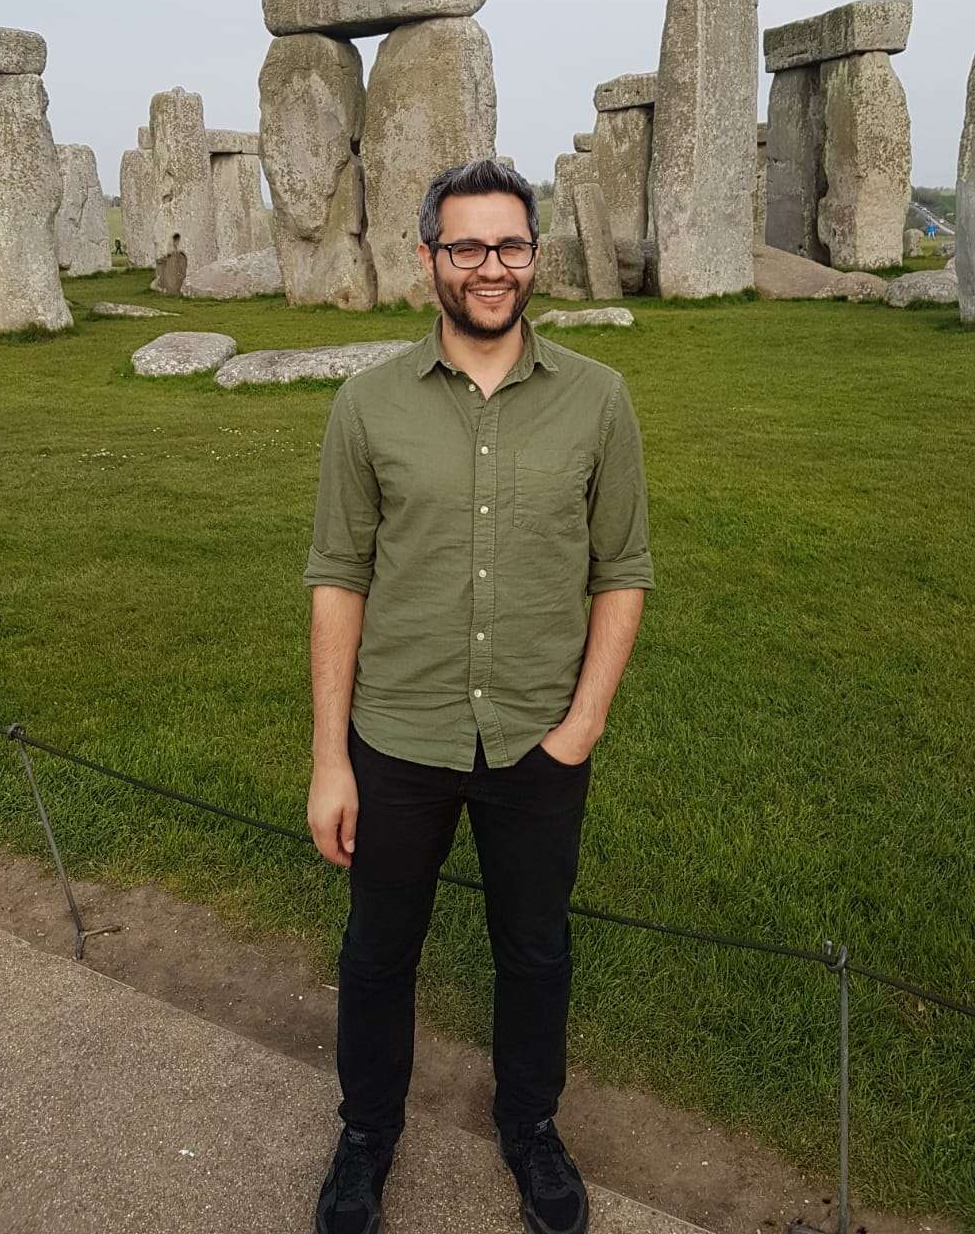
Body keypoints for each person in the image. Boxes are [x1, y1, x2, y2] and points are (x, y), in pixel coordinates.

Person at [305, 158, 653, 1234]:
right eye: (466, 246)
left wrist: (582, 726)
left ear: (535, 256)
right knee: (378, 952)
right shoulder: (367, 405)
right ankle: (367, 1135)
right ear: (428, 259)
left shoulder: (599, 398)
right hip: (398, 733)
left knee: (535, 950)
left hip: (538, 736)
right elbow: (339, 578)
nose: (490, 267)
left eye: (509, 245)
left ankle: (530, 1124)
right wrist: (329, 759)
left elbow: (623, 571)